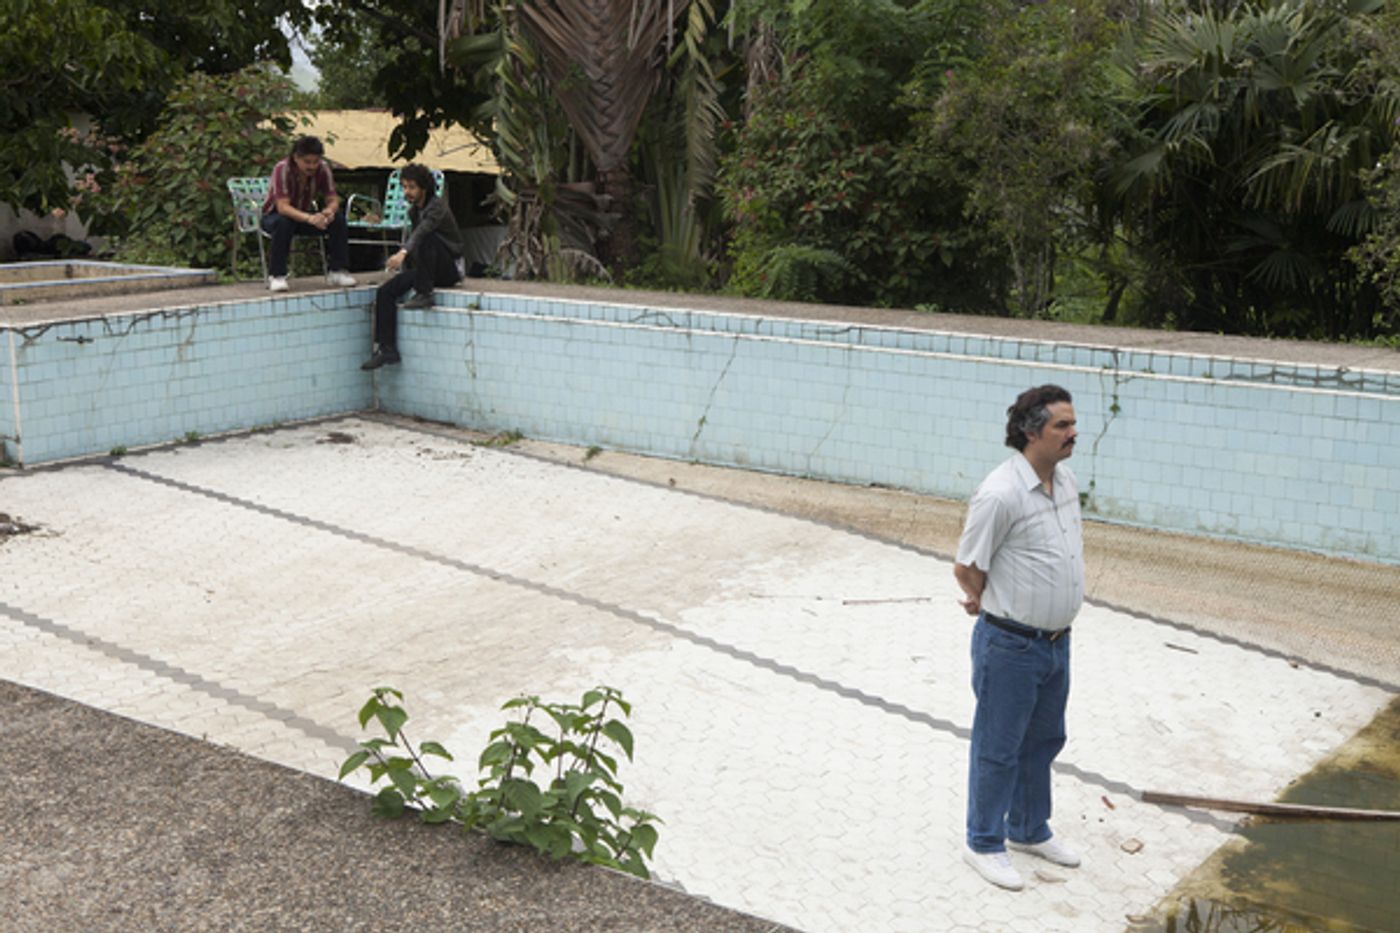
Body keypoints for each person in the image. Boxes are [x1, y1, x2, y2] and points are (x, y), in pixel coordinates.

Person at [953, 384, 1084, 892]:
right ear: (1032, 432)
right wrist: (985, 598)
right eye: (1062, 425)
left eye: (1072, 423)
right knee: (999, 747)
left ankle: (1028, 828)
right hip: (1010, 644)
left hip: (1056, 642)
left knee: (1044, 739)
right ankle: (983, 841)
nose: (1073, 433)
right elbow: (967, 566)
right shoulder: (1000, 493)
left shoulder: (1065, 481)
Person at [361, 163, 464, 371]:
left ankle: (425, 294)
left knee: (427, 238)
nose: (407, 192)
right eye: (405, 187)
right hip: (428, 269)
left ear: (424, 188)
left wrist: (403, 253)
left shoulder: (437, 207)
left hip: (450, 269)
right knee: (386, 292)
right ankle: (387, 349)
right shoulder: (414, 211)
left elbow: (421, 233)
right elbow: (414, 242)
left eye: (412, 187)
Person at [260, 136, 357, 293]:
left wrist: (329, 211)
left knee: (338, 220)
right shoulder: (282, 169)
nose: (312, 166)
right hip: (274, 217)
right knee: (283, 222)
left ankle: (337, 271)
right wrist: (310, 218)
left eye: (315, 162)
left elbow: (333, 199)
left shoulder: (323, 168)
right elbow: (283, 207)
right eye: (307, 162)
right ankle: (277, 275)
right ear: (296, 158)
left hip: (302, 216)